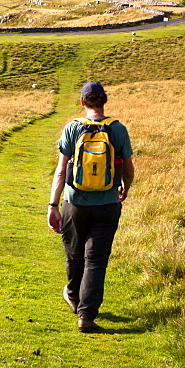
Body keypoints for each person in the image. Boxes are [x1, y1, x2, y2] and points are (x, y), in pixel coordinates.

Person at [47, 81, 134, 333]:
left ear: (83, 102)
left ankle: (74, 297)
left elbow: (61, 171)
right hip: (107, 204)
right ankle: (86, 315)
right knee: (96, 259)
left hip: (74, 203)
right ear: (104, 101)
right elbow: (128, 170)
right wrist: (124, 187)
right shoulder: (118, 130)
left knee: (74, 253)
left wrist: (53, 204)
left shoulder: (73, 128)